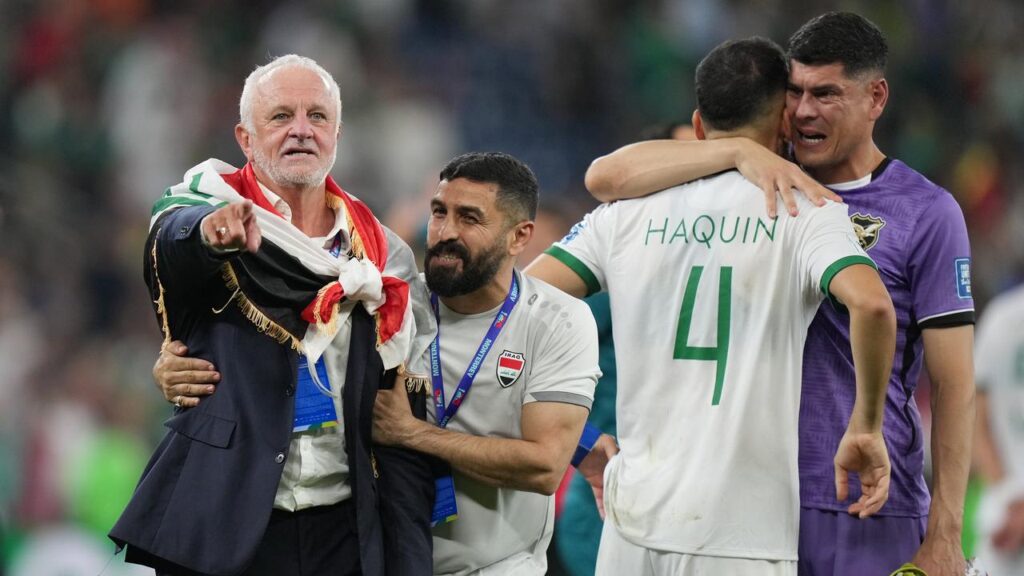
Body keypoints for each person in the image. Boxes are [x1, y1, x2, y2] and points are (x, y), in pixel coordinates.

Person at [584, 12, 976, 576]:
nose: (805, 110)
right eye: (794, 92)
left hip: (860, 503)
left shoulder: (927, 213)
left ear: (876, 97)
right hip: (744, 507)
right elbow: (606, 177)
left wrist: (945, 534)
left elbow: (955, 382)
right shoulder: (756, 179)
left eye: (827, 93)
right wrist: (742, 153)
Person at [525, 37, 895, 576]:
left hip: (633, 527)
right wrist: (866, 425)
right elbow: (873, 306)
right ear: (786, 124)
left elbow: (517, 310)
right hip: (742, 534)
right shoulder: (807, 210)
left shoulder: (623, 215)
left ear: (697, 127)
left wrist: (578, 441)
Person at [156, 152, 603, 576]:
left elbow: (544, 466)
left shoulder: (557, 321)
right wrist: (178, 362)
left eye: (469, 218)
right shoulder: (385, 300)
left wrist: (414, 434)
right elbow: (273, 348)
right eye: (439, 211)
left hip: (498, 565)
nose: (444, 231)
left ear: (519, 236)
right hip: (384, 557)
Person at [109, 55, 435, 576]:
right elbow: (171, 244)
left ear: (338, 133)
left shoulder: (382, 255)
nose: (301, 131)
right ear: (245, 138)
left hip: (344, 528)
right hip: (226, 515)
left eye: (317, 117)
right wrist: (211, 235)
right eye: (281, 116)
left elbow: (405, 410)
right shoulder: (213, 208)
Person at [973, 284, 1024, 574]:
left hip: (1004, 515)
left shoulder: (1001, 317)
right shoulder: (1002, 319)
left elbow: (974, 420)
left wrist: (1009, 495)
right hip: (1004, 521)